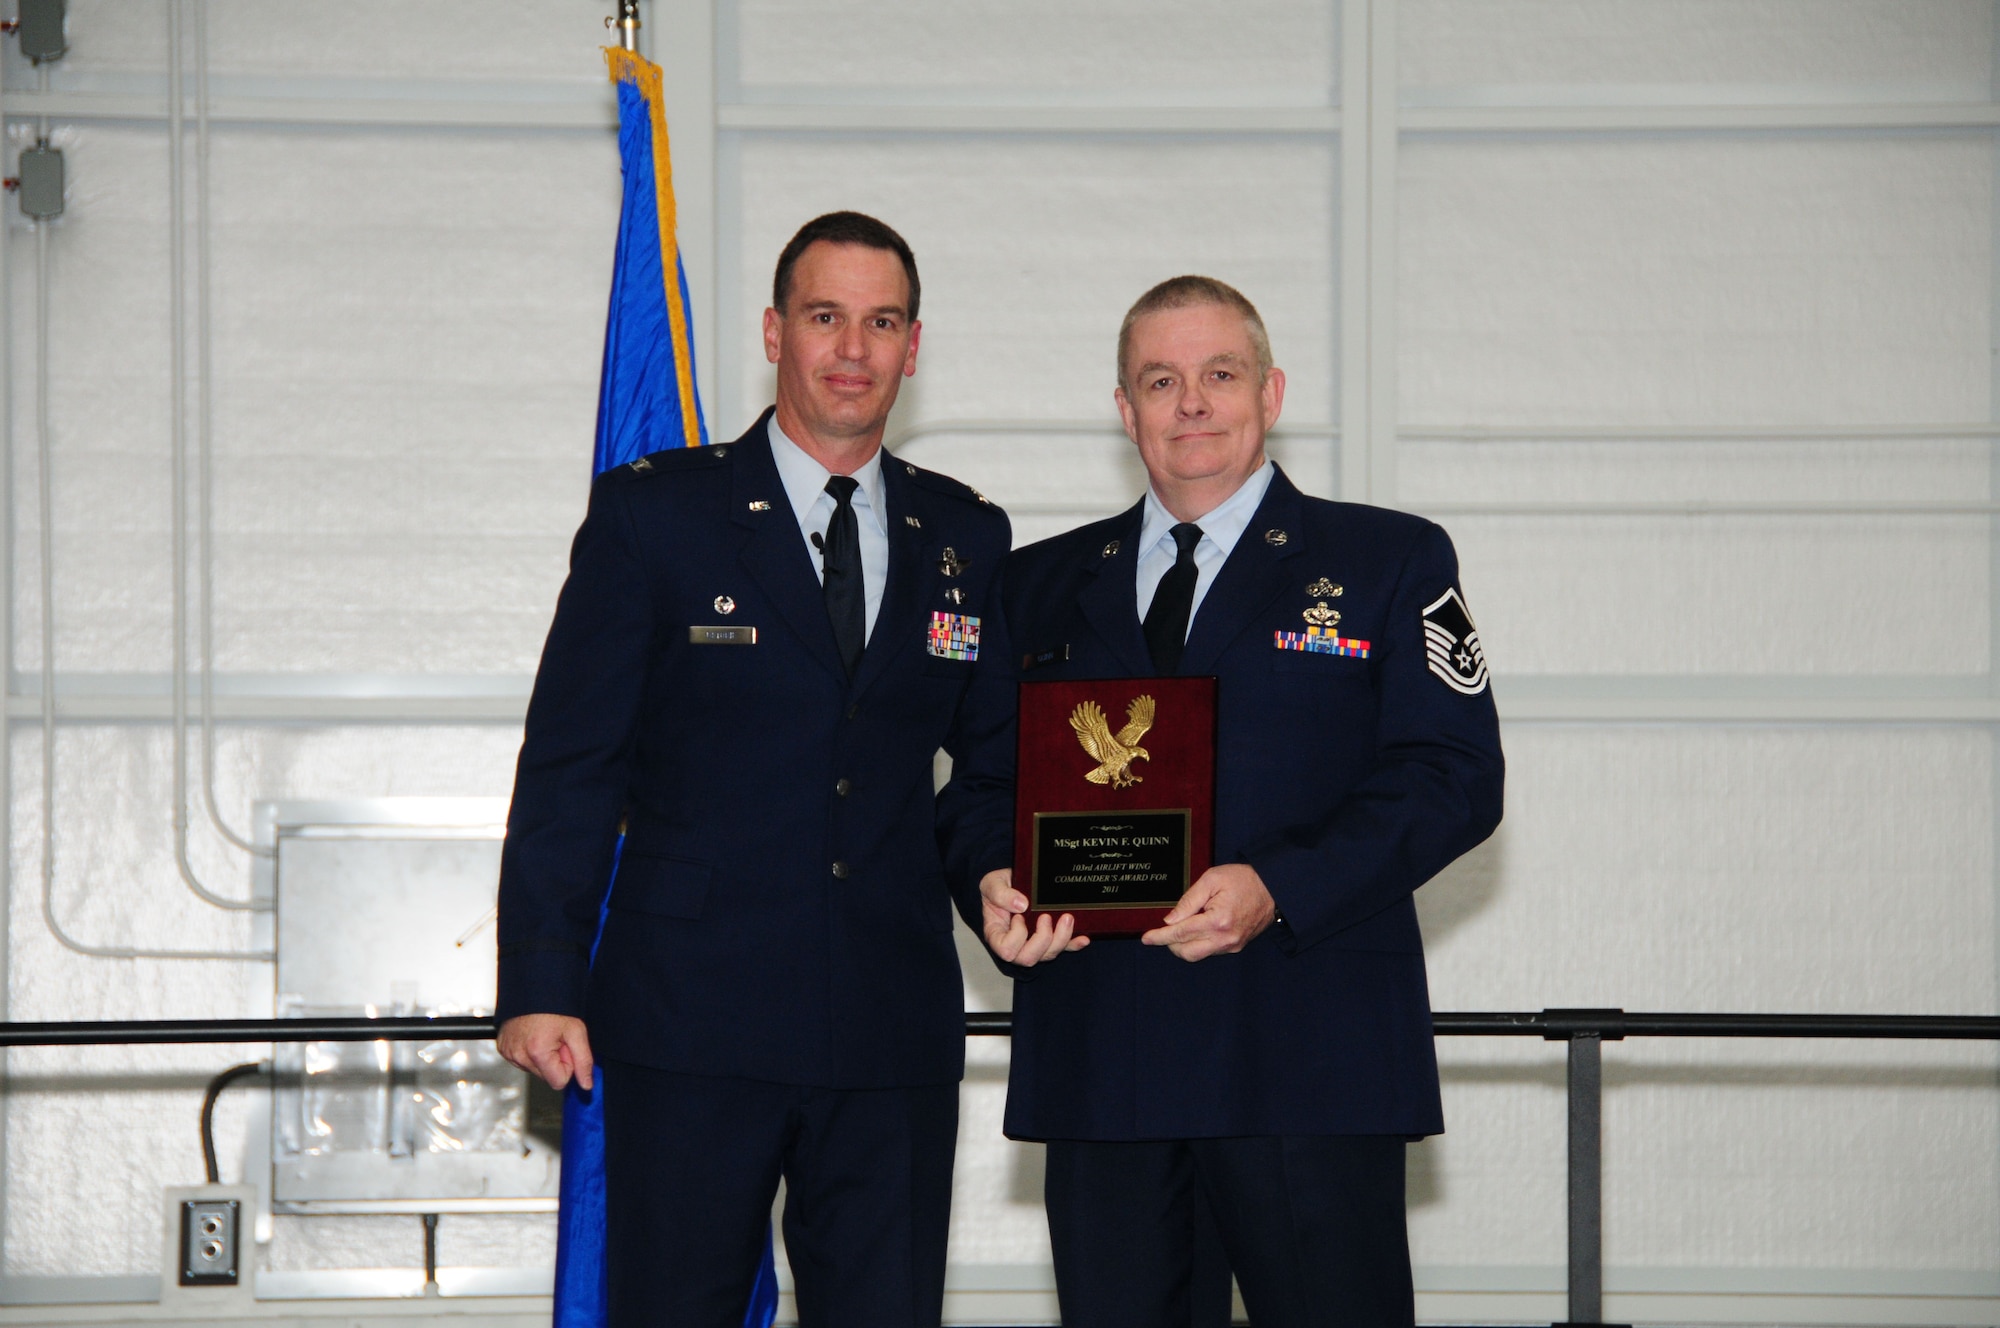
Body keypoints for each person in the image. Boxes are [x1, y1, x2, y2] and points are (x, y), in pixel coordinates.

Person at [495, 211, 1014, 1328]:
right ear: (776, 330)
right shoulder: (655, 514)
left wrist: (997, 885)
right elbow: (572, 761)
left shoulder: (968, 535)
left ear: (912, 346)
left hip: (889, 1026)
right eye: (825, 316)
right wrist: (539, 974)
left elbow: (984, 775)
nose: (851, 348)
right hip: (690, 1020)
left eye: (880, 322)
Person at [968, 276, 1504, 1328]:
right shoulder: (1037, 583)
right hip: (1104, 1070)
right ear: (1124, 410)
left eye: (1218, 374)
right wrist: (989, 876)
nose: (1191, 404)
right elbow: (984, 784)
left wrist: (1278, 883)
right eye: (1160, 381)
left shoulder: (1386, 559)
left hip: (1304, 1061)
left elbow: (1452, 774)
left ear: (1270, 393)